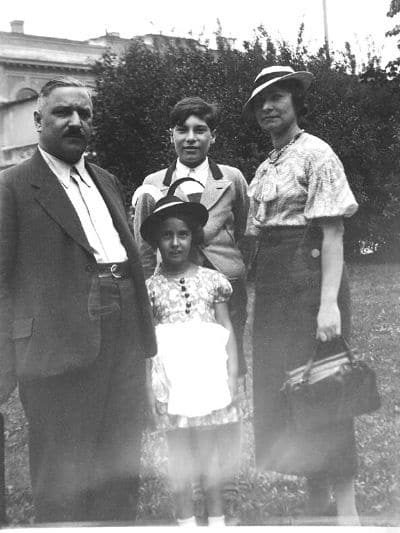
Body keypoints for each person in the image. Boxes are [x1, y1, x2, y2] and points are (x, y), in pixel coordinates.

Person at [0, 77, 157, 523]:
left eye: (84, 114)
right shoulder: (11, 186)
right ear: (38, 120)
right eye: (63, 113)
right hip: (55, 347)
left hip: (124, 338)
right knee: (63, 474)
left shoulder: (105, 180)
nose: (75, 122)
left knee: (121, 463)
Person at [243, 65, 360, 525]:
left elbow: (333, 234)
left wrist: (328, 303)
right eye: (261, 102)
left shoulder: (318, 154)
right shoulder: (266, 165)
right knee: (289, 390)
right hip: (273, 284)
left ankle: (348, 511)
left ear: (296, 101)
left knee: (327, 388)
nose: (269, 107)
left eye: (278, 97)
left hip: (311, 277)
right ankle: (316, 504)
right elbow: (257, 235)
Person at [133, 96, 249, 521]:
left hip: (222, 290)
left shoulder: (231, 178)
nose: (191, 137)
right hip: (170, 294)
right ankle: (190, 497)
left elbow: (246, 226)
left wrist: (233, 269)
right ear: (171, 135)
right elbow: (145, 246)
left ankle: (226, 492)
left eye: (200, 130)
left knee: (226, 380)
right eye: (183, 129)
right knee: (180, 385)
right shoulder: (152, 182)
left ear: (212, 136)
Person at [140, 195, 240, 527]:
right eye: (167, 236)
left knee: (210, 455)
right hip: (172, 384)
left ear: (193, 237)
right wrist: (149, 390)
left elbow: (225, 329)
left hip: (207, 379)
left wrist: (233, 372)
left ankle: (216, 520)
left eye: (182, 234)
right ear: (157, 241)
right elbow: (147, 345)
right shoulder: (151, 288)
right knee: (180, 457)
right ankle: (185, 521)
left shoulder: (212, 281)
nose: (175, 242)